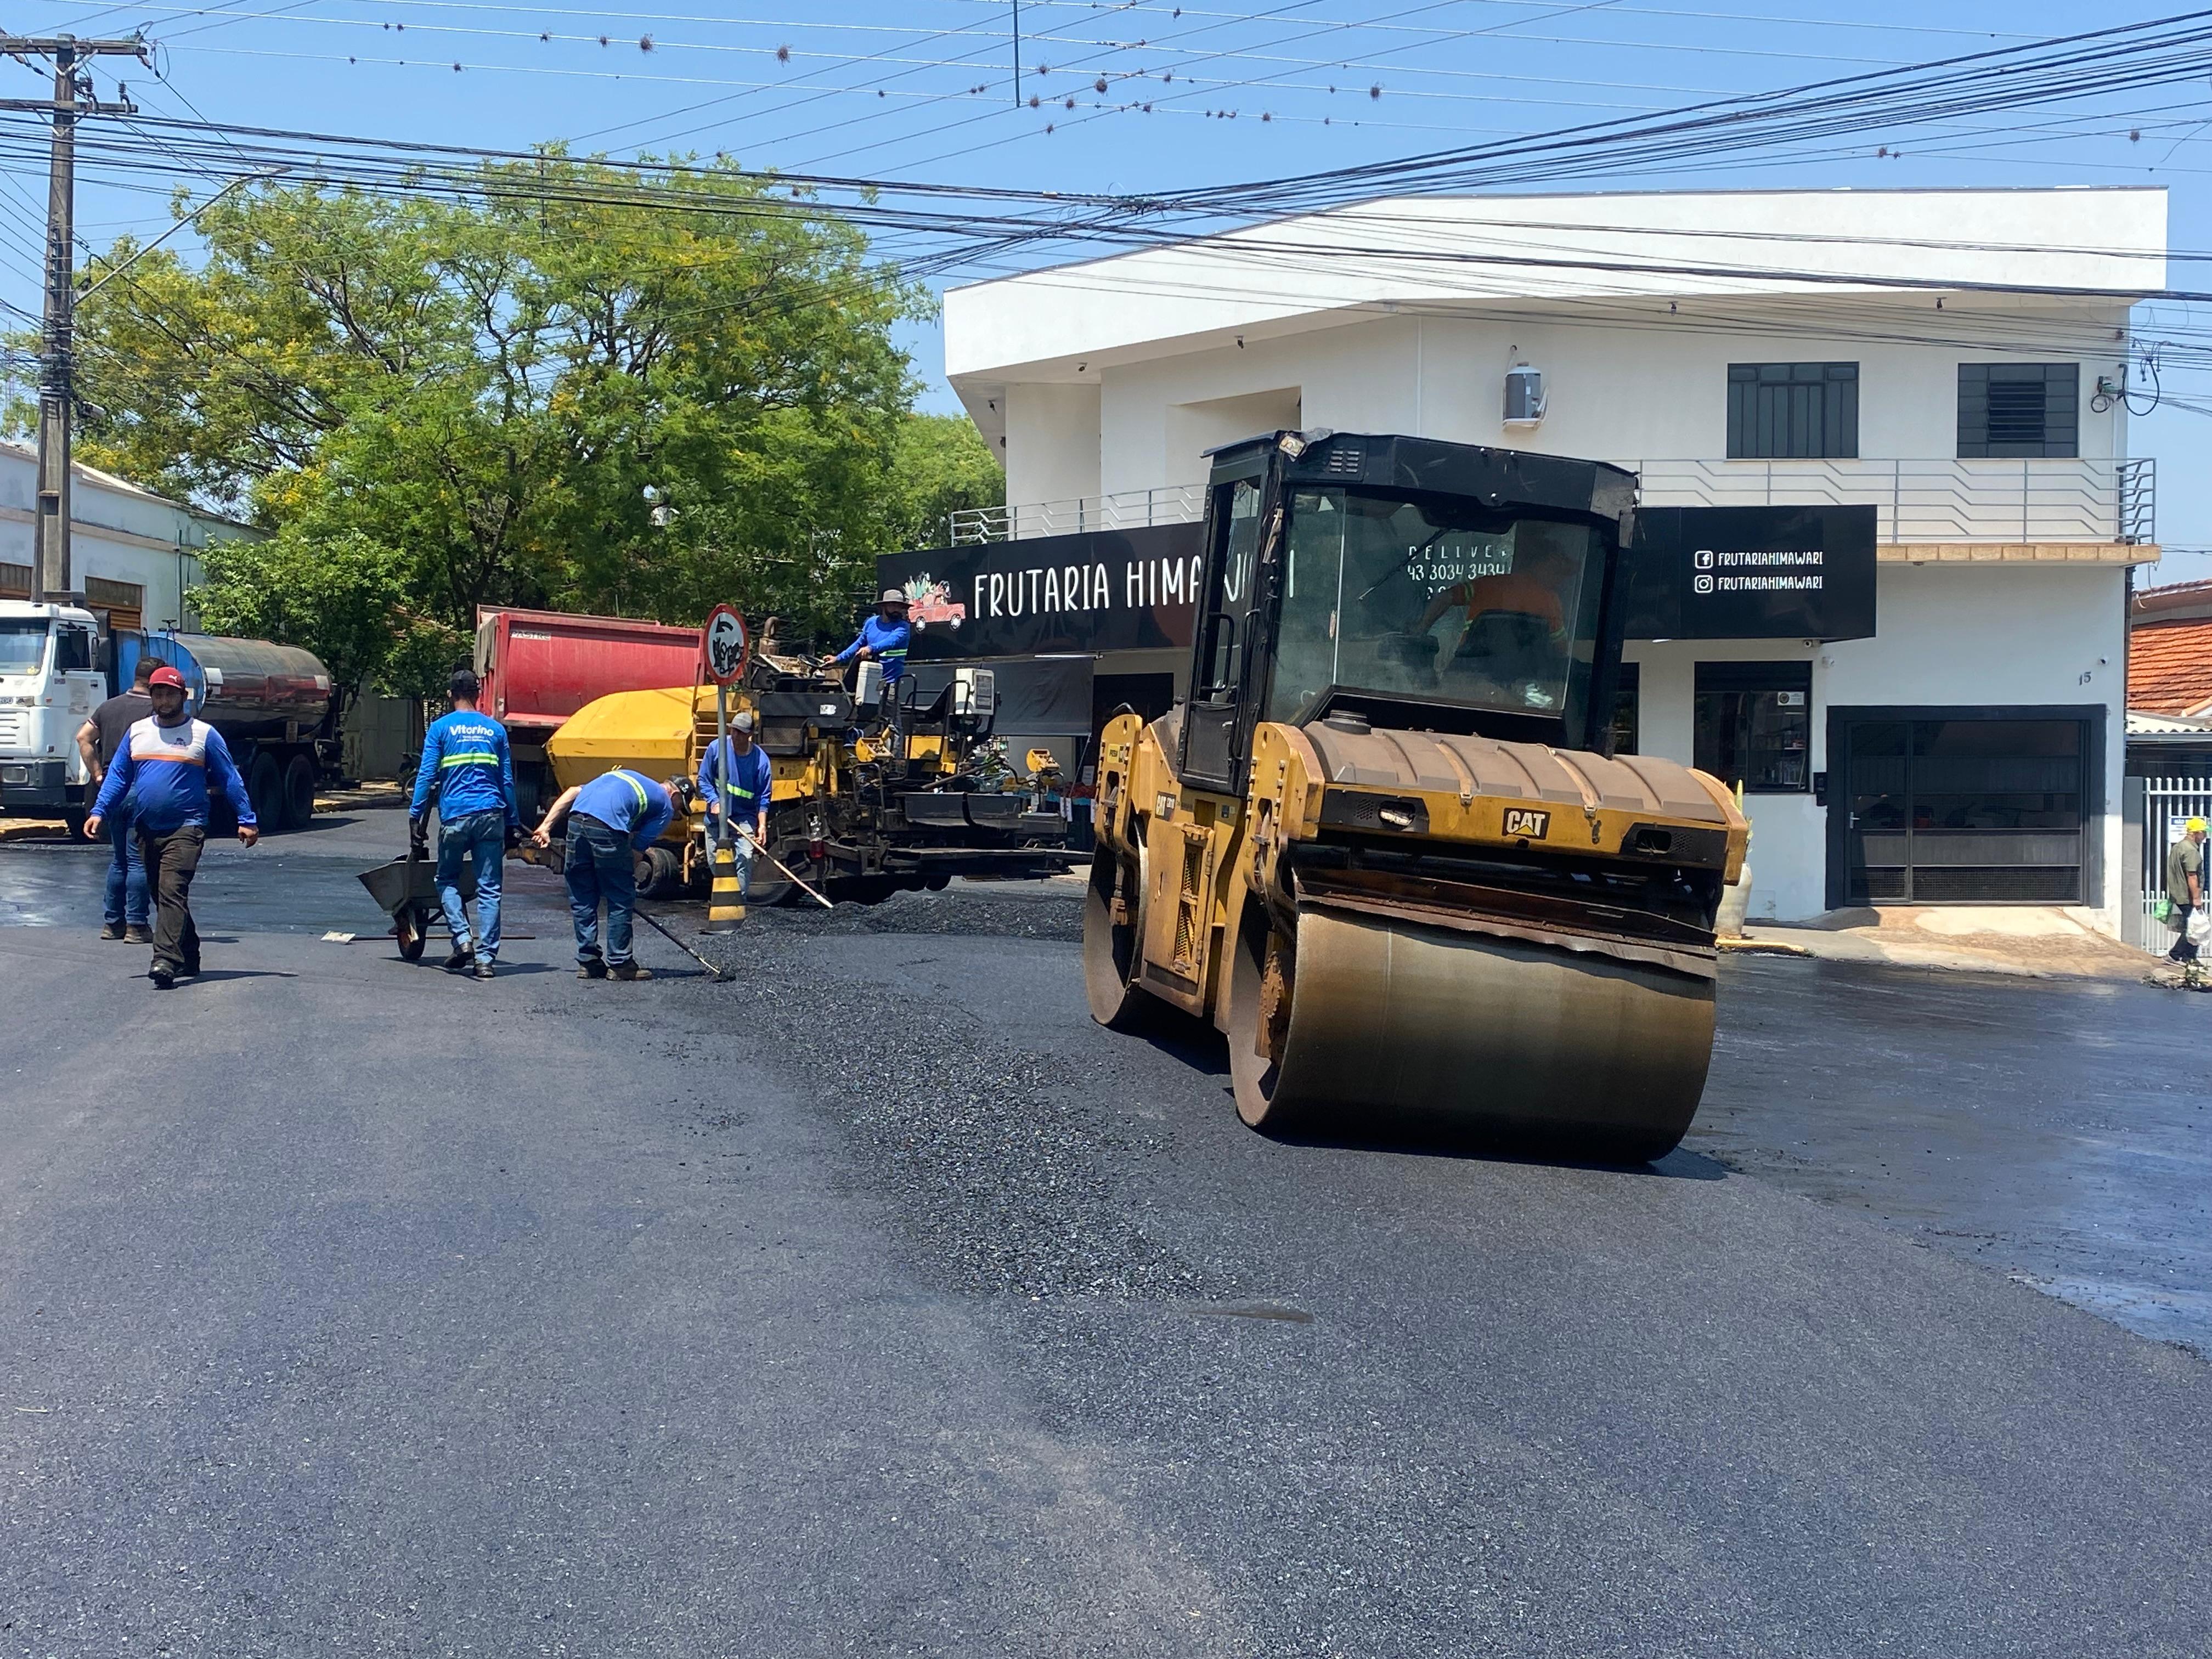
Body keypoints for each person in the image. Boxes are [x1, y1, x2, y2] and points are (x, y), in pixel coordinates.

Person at [82, 664, 258, 989]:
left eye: (171, 693)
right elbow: (119, 777)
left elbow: (230, 778)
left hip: (188, 827)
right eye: (158, 693)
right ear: (152, 696)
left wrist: (246, 819)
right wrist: (99, 811)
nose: (164, 699)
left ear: (184, 696)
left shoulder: (204, 735)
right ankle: (189, 951)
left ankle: (165, 959)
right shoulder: (137, 732)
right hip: (147, 827)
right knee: (160, 894)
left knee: (171, 889)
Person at [409, 668, 520, 980]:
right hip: (491, 816)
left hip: (456, 816)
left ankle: (462, 939)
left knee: (446, 880)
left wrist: (415, 816)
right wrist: (512, 821)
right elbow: (507, 781)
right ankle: (485, 960)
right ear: (478, 694)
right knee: (490, 888)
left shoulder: (441, 729)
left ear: (450, 695)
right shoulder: (496, 731)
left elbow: (427, 775)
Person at [532, 768, 679, 981]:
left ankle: (589, 962)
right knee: (620, 896)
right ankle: (621, 964)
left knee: (582, 894)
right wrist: (624, 877)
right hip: (607, 826)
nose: (676, 815)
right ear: (675, 795)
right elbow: (636, 853)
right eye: (680, 807)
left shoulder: (623, 777)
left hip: (576, 822)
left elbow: (573, 791)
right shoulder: (665, 806)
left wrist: (545, 827)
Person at [75, 654, 154, 944]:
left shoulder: (108, 707)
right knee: (138, 859)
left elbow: (83, 738)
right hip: (139, 788)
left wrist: (98, 774)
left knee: (119, 858)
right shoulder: (155, 711)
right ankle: (136, 924)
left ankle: (113, 923)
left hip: (111, 789)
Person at [697, 708, 772, 900]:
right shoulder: (717, 748)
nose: (735, 735)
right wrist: (714, 801)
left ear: (750, 735)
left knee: (745, 857)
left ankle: (738, 903)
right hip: (716, 816)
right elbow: (703, 779)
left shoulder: (760, 761)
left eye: (740, 732)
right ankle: (725, 898)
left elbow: (763, 797)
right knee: (716, 861)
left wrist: (762, 825)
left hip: (743, 816)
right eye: (733, 730)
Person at [835, 589, 912, 691]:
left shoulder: (903, 627)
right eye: (893, 605)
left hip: (889, 683)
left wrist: (870, 648)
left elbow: (890, 642)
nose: (896, 609)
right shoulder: (871, 622)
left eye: (899, 606)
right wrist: (837, 659)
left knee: (888, 705)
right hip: (866, 681)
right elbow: (859, 643)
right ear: (884, 607)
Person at [2167, 817, 2207, 969]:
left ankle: (2190, 957)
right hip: (2187, 896)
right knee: (2193, 928)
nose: (2204, 837)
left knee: (2193, 925)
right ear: (2196, 833)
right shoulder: (2191, 851)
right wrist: (2197, 898)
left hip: (2178, 893)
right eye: (2203, 833)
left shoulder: (2178, 847)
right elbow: (2192, 876)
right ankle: (2174, 955)